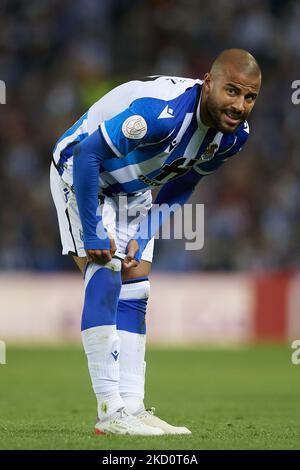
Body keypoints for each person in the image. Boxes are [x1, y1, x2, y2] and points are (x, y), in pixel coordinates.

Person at [50, 49, 261, 435]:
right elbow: (86, 154)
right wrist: (95, 229)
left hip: (134, 188)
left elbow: (185, 181)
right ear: (208, 83)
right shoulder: (160, 115)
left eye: (249, 98)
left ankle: (132, 406)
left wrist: (147, 231)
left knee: (137, 289)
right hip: (83, 171)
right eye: (232, 91)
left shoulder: (233, 139)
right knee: (107, 271)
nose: (239, 105)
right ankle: (109, 411)